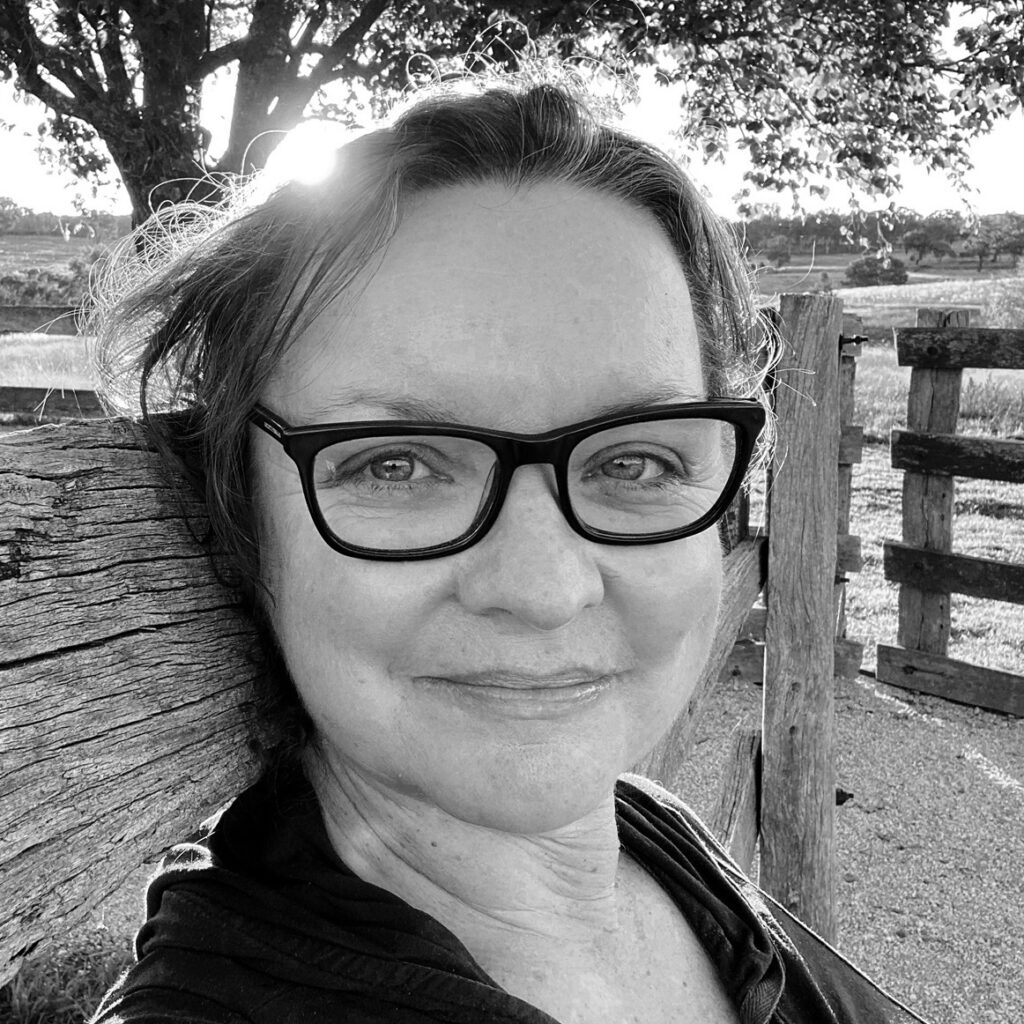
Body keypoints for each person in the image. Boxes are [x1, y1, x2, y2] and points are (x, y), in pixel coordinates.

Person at [89, 69, 928, 1024]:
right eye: (396, 465)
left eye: (637, 461)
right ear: (241, 513)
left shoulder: (658, 840)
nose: (543, 588)